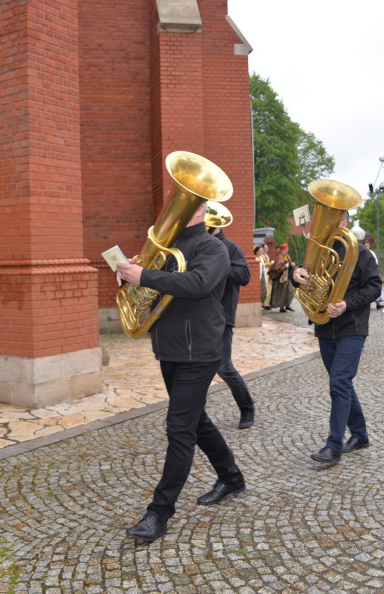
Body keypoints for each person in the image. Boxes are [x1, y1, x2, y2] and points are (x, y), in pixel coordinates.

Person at [115, 202, 246, 542]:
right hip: (170, 348)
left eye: (188, 204)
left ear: (201, 211)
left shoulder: (212, 248)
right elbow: (157, 289)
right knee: (195, 421)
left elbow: (197, 284)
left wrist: (143, 275)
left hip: (199, 352)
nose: (175, 210)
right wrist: (131, 275)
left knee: (179, 428)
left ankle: (159, 513)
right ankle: (231, 477)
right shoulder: (166, 248)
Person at [292, 219, 382, 465]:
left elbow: (375, 288)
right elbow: (304, 277)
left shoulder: (363, 254)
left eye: (334, 217)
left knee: (339, 382)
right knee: (342, 383)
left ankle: (333, 446)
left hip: (352, 328)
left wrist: (347, 304)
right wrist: (295, 275)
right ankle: (360, 434)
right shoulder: (321, 252)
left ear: (344, 221)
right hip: (325, 328)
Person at [206, 203, 256, 430]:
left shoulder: (230, 248)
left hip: (221, 316)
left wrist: (220, 265)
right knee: (199, 368)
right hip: (200, 316)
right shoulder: (199, 247)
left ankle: (247, 407)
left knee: (224, 367)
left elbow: (244, 275)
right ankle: (194, 415)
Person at [268, 243, 295, 312]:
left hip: (288, 276)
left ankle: (287, 305)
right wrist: (284, 267)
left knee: (291, 290)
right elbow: (277, 268)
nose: (287, 251)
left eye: (287, 250)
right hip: (282, 278)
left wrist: (292, 264)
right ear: (282, 250)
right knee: (283, 292)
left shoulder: (287, 256)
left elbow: (289, 265)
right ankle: (282, 307)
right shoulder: (279, 257)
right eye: (286, 250)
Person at [361, 232, 384, 310]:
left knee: (374, 288)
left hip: (372, 272)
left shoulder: (372, 253)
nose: (367, 246)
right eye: (365, 245)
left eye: (368, 245)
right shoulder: (361, 253)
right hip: (364, 273)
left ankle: (378, 303)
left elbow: (375, 261)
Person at [253, 243, 272, 309]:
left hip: (263, 275)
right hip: (259, 276)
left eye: (262, 251)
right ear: (256, 251)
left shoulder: (261, 257)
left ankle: (263, 303)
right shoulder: (255, 258)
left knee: (264, 290)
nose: (261, 252)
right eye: (260, 251)